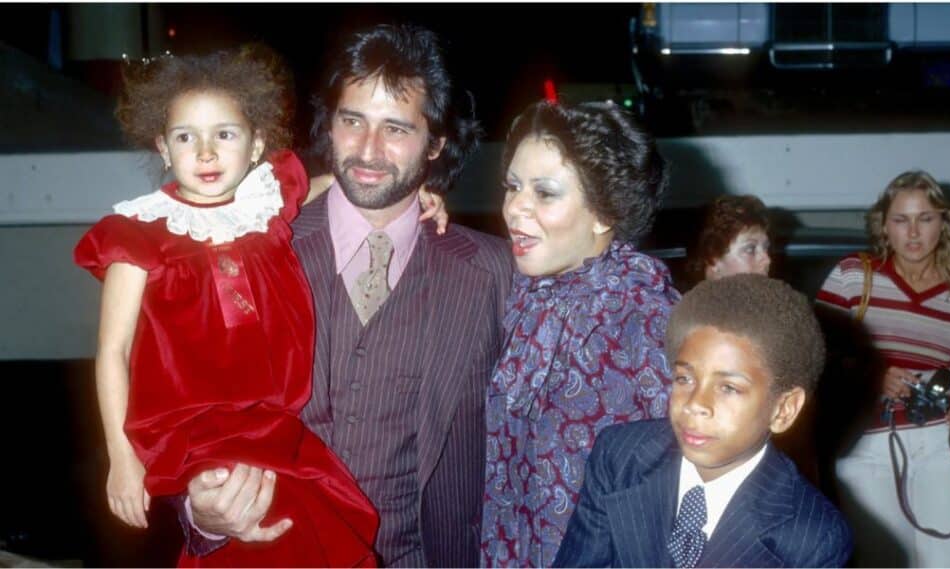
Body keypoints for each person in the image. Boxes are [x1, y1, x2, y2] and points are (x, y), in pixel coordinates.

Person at [182, 25, 513, 567]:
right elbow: (181, 403)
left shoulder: (491, 274)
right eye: (352, 120)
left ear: (436, 144)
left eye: (397, 130)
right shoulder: (251, 249)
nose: (368, 150)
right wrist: (201, 514)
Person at [73, 45, 379, 566]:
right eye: (186, 137)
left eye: (225, 134)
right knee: (241, 537)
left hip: (273, 424)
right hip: (192, 433)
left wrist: (417, 202)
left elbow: (332, 187)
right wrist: (122, 460)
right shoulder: (139, 234)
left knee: (304, 531)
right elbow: (113, 350)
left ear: (257, 143)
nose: (207, 153)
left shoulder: (265, 204)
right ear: (164, 149)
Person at [481, 100, 681, 567]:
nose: (514, 208)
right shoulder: (525, 294)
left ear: (604, 212)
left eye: (544, 193)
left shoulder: (650, 322)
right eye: (512, 186)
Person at [554, 274, 853, 568]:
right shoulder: (620, 457)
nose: (696, 404)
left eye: (729, 388)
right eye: (685, 378)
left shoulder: (811, 536)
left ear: (783, 410)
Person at [816, 170, 950, 567]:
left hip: (942, 441)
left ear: (944, 223)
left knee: (949, 561)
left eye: (925, 219)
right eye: (901, 220)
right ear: (884, 225)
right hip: (864, 442)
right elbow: (818, 348)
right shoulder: (852, 276)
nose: (913, 233)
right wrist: (871, 375)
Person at [690, 194, 771, 283]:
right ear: (713, 258)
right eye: (750, 249)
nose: (767, 260)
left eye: (766, 248)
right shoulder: (684, 296)